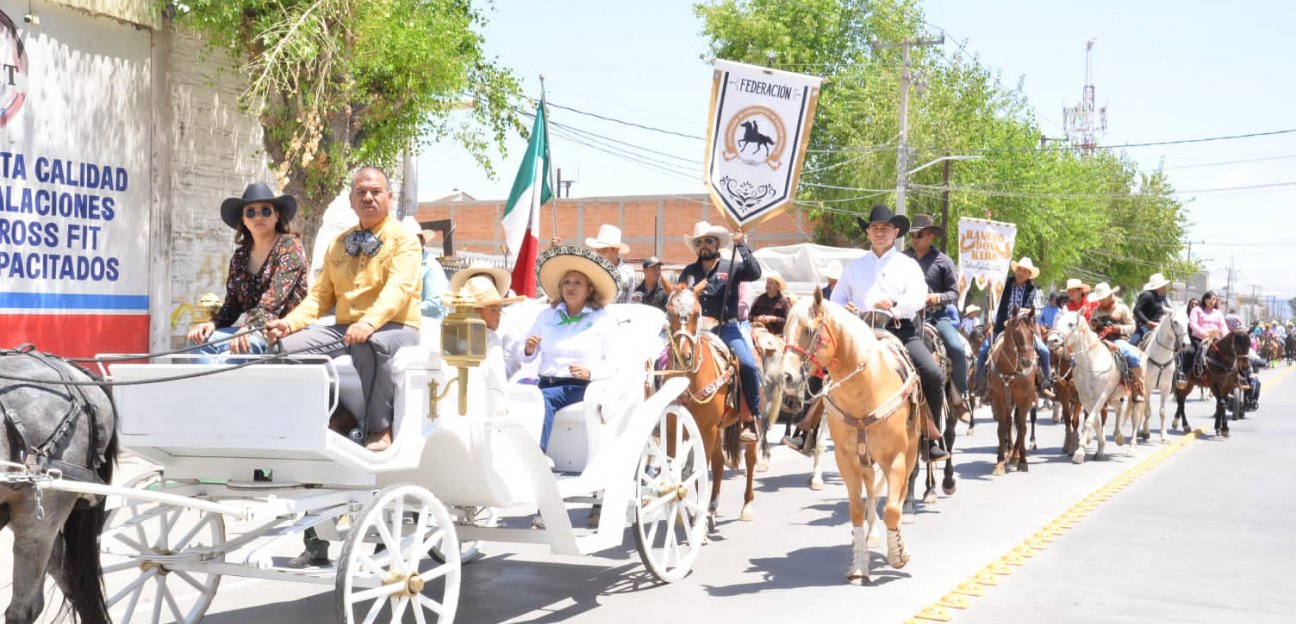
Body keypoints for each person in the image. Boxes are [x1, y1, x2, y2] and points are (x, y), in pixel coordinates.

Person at [266, 167, 421, 453]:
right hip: (346, 328)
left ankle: (378, 428)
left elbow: (398, 289)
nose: (368, 197)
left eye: (375, 192)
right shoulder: (338, 243)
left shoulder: (405, 239)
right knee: (279, 351)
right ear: (351, 200)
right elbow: (319, 298)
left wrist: (370, 323)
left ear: (389, 197)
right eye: (361, 192)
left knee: (369, 344)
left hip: (395, 327)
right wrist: (288, 324)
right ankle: (338, 415)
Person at [831, 205, 948, 462]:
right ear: (869, 232)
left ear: (895, 232)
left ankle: (930, 437)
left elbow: (917, 298)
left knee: (932, 373)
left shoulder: (908, 265)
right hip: (859, 335)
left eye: (885, 228)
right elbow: (835, 299)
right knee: (821, 366)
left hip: (900, 332)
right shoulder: (854, 267)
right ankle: (806, 428)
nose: (879, 233)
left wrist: (894, 304)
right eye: (874, 228)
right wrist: (844, 309)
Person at [188, 182, 308, 356]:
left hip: (286, 328)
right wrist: (212, 324)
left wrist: (248, 328)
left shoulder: (290, 246)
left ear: (276, 215)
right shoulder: (240, 257)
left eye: (265, 210)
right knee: (198, 340)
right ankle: (206, 384)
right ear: (243, 220)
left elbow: (271, 302)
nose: (258, 216)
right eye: (250, 212)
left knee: (244, 345)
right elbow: (232, 306)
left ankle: (236, 383)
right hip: (252, 329)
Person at [520, 245, 620, 452]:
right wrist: (529, 349)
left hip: (580, 387)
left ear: (589, 289)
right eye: (566, 282)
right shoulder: (547, 316)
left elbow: (615, 362)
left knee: (542, 401)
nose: (570, 287)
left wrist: (590, 373)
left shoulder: (602, 320)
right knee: (515, 398)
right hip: (544, 383)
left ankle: (537, 458)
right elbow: (525, 355)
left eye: (577, 283)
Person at [679, 221, 763, 442]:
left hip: (727, 327)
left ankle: (750, 418)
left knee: (747, 364)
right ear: (696, 248)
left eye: (708, 240)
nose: (704, 245)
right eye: (699, 242)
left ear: (717, 243)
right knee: (669, 361)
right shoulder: (688, 273)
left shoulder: (732, 266)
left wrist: (742, 246)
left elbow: (755, 273)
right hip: (696, 331)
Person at [903, 214, 970, 418]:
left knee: (957, 348)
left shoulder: (944, 261)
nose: (914, 238)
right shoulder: (903, 260)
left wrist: (937, 297)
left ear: (931, 236)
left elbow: (954, 293)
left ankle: (959, 396)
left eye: (919, 234)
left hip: (937, 317)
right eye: (912, 235)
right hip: (906, 317)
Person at [975, 257, 1053, 399]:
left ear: (1029, 274)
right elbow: (991, 302)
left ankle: (1044, 384)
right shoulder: (1003, 285)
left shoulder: (1034, 291)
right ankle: (979, 383)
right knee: (982, 350)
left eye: (1025, 271)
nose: (1021, 273)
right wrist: (990, 289)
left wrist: (1023, 312)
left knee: (1044, 351)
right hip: (1003, 327)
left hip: (1024, 330)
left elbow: (1039, 310)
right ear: (1015, 270)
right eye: (1019, 270)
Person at [451, 263, 526, 379]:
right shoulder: (453, 331)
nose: (498, 314)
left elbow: (510, 362)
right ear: (474, 311)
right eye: (493, 310)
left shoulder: (500, 329)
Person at [1088, 282, 1145, 403]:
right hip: (1100, 340)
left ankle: (1136, 388)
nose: (1100, 301)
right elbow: (1090, 329)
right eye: (1099, 299)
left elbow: (1132, 326)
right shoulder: (1095, 311)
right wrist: (1093, 326)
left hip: (1118, 340)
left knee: (1132, 357)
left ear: (1110, 296)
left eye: (1102, 298)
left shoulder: (1122, 308)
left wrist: (1119, 328)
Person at [402, 216, 449, 319]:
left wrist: (401, 311)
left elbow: (434, 305)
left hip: (428, 327)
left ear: (422, 242)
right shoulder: (398, 264)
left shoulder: (431, 266)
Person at [1182, 290, 1227, 387]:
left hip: (1215, 339)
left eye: (1214, 299)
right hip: (1199, 339)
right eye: (1210, 299)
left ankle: (1231, 377)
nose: (1212, 301)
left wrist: (1225, 337)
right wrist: (1204, 333)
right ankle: (1183, 376)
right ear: (1205, 300)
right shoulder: (1197, 310)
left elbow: (1223, 326)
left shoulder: (1218, 313)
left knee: (1227, 354)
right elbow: (1193, 323)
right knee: (1190, 352)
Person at [583, 224, 637, 304]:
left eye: (604, 250)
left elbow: (615, 282)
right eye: (598, 251)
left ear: (616, 250)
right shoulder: (596, 270)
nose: (599, 255)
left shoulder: (627, 271)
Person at [1130, 272, 1170, 346]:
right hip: (1146, 327)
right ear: (1158, 287)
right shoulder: (1147, 295)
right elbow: (1137, 310)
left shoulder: (1162, 298)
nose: (1165, 287)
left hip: (1161, 326)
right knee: (1132, 344)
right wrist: (1148, 322)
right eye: (1163, 286)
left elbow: (1168, 309)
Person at [750, 270, 792, 335]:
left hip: (776, 336)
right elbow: (749, 316)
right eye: (767, 282)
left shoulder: (783, 302)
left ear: (778, 286)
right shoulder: (759, 299)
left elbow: (788, 321)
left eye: (771, 283)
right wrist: (756, 318)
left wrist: (773, 319)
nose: (768, 285)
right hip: (758, 333)